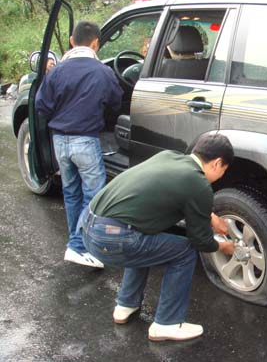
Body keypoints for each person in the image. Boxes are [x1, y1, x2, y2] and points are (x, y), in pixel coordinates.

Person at [78, 134, 235, 341]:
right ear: (217, 163)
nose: (221, 176)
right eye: (223, 171)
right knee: (186, 251)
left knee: (145, 239)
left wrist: (211, 216)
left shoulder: (168, 156)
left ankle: (126, 305)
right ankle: (167, 324)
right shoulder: (199, 184)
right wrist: (223, 247)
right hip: (111, 239)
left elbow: (174, 192)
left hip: (88, 227)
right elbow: (201, 240)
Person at [35, 21, 123, 268]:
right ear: (95, 43)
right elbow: (116, 104)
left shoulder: (57, 71)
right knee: (94, 197)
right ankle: (77, 245)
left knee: (72, 193)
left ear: (72, 42)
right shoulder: (102, 72)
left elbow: (42, 105)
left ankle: (77, 243)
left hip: (60, 141)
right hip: (85, 139)